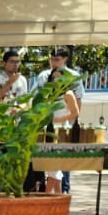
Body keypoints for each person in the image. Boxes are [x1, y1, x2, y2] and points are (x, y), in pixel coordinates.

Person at [30, 46, 86, 193]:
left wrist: (58, 120)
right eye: (54, 77)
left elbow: (75, 112)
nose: (56, 80)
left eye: (59, 78)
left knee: (53, 165)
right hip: (46, 129)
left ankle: (48, 195)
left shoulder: (68, 93)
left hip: (61, 130)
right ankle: (59, 196)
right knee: (51, 165)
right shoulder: (47, 92)